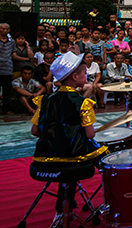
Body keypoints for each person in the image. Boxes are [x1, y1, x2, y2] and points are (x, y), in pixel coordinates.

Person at [30, 52, 107, 212]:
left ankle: (64, 205)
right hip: (73, 157)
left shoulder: (44, 100)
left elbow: (35, 131)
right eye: (84, 73)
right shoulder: (83, 102)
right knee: (107, 156)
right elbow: (89, 135)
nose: (86, 75)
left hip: (45, 156)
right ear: (74, 77)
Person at [0, 23, 16, 115]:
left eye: (6, 29)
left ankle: (6, 109)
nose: (5, 31)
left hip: (7, 67)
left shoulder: (11, 41)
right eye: (3, 29)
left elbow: (13, 54)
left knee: (6, 90)